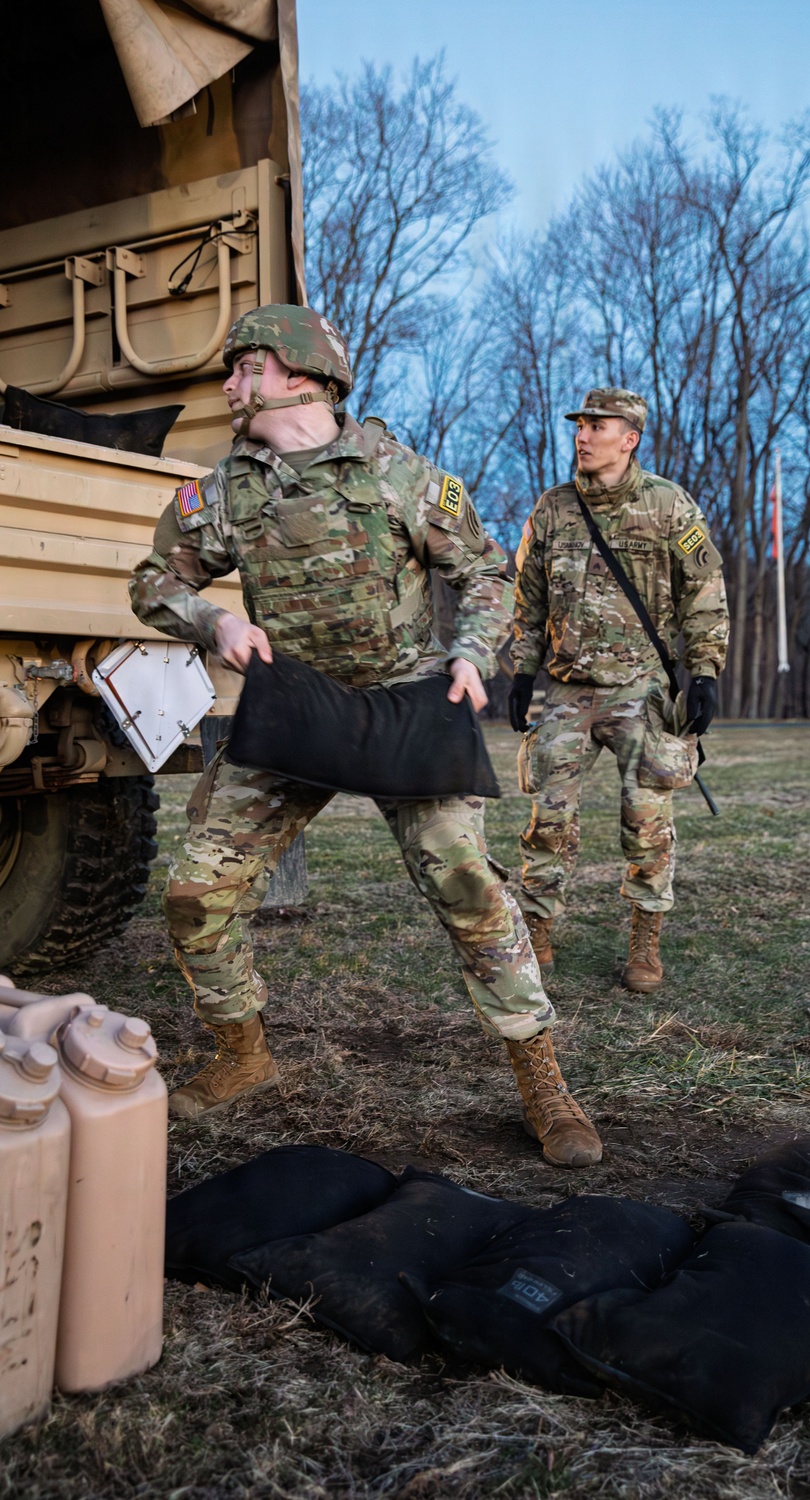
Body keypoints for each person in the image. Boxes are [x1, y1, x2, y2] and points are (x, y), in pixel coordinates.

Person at [129, 304, 601, 1168]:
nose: (228, 384)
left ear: (301, 376)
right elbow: (154, 582)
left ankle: (543, 1080)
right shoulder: (225, 491)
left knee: (469, 886)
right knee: (196, 892)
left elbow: (487, 575)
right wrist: (212, 622)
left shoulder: (401, 474)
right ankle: (243, 1054)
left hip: (406, 703)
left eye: (245, 367)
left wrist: (472, 653)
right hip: (294, 707)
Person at [508, 388, 729, 992]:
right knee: (548, 817)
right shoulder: (553, 508)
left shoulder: (669, 505)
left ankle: (645, 941)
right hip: (566, 689)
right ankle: (538, 928)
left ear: (629, 438)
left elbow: (704, 593)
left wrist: (704, 672)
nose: (582, 436)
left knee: (647, 821)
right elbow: (527, 598)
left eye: (596, 427)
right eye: (579, 426)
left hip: (640, 686)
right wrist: (522, 671)